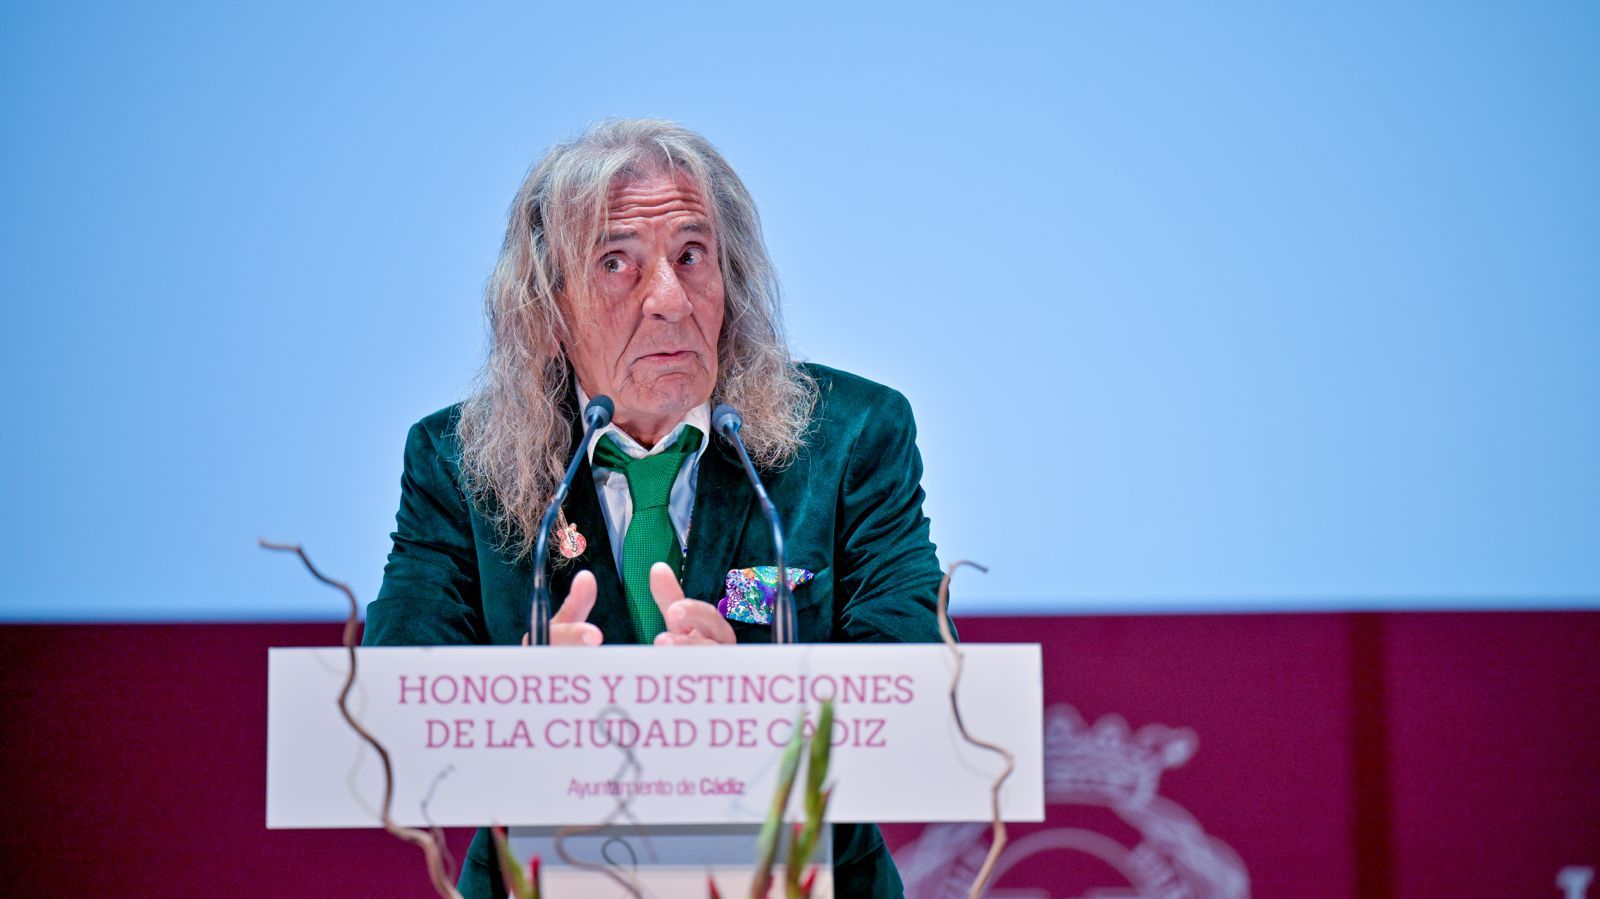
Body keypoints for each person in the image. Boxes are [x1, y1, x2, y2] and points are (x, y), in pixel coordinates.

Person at [363, 118, 944, 897]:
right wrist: (519, 701)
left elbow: (917, 697)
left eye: (691, 256)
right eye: (616, 264)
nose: (669, 299)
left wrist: (752, 707)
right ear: (547, 308)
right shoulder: (457, 461)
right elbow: (393, 711)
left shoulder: (851, 436)